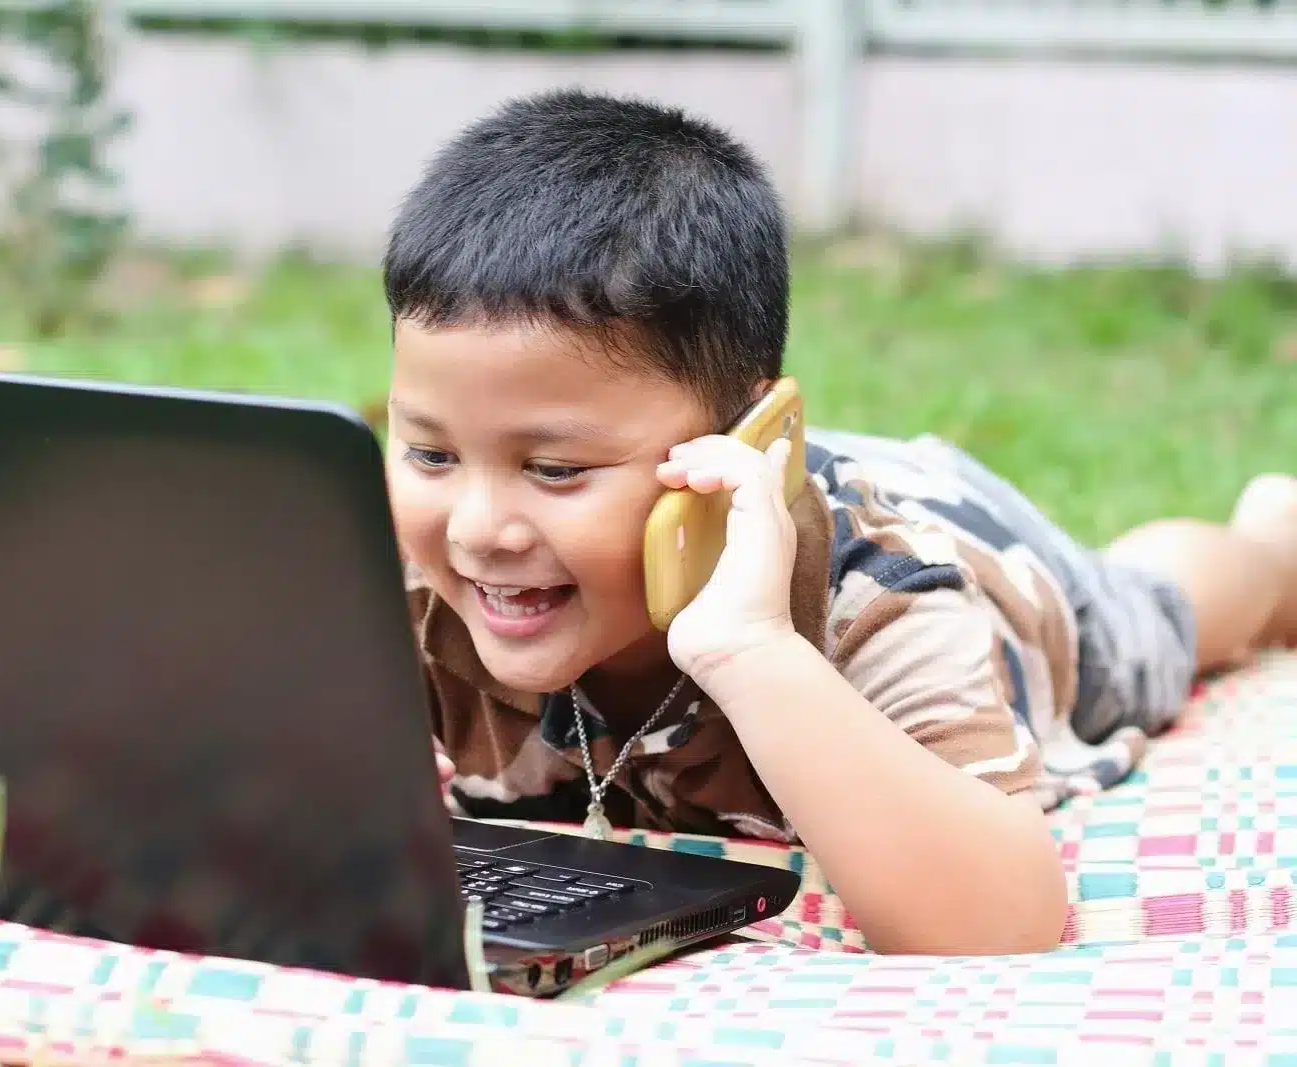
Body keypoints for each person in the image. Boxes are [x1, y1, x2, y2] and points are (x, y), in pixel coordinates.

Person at [385, 88, 1297, 956]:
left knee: (1152, 614)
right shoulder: (403, 588)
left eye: (552, 469)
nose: (476, 528)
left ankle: (1271, 542)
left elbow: (1001, 918)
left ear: (745, 442)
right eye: (431, 454)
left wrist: (754, 654)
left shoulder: (876, 596)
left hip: (987, 560)